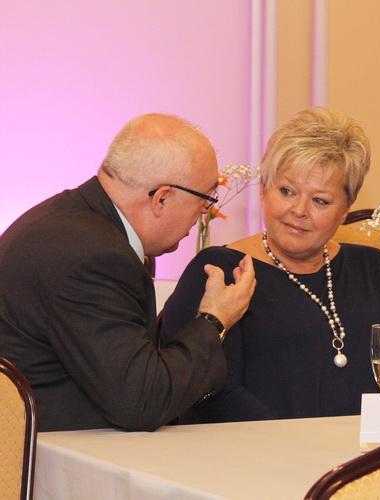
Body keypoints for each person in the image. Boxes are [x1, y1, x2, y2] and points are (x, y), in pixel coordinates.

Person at [161, 107, 380, 422]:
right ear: (264, 191)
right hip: (261, 449)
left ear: (345, 210)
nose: (299, 210)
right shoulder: (218, 272)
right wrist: (297, 443)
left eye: (320, 200)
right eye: (287, 191)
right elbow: (211, 394)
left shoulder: (378, 270)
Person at [0, 113, 256, 431]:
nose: (202, 216)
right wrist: (215, 320)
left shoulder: (66, 222)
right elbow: (142, 402)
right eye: (205, 200)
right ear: (162, 198)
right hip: (53, 452)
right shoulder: (95, 257)